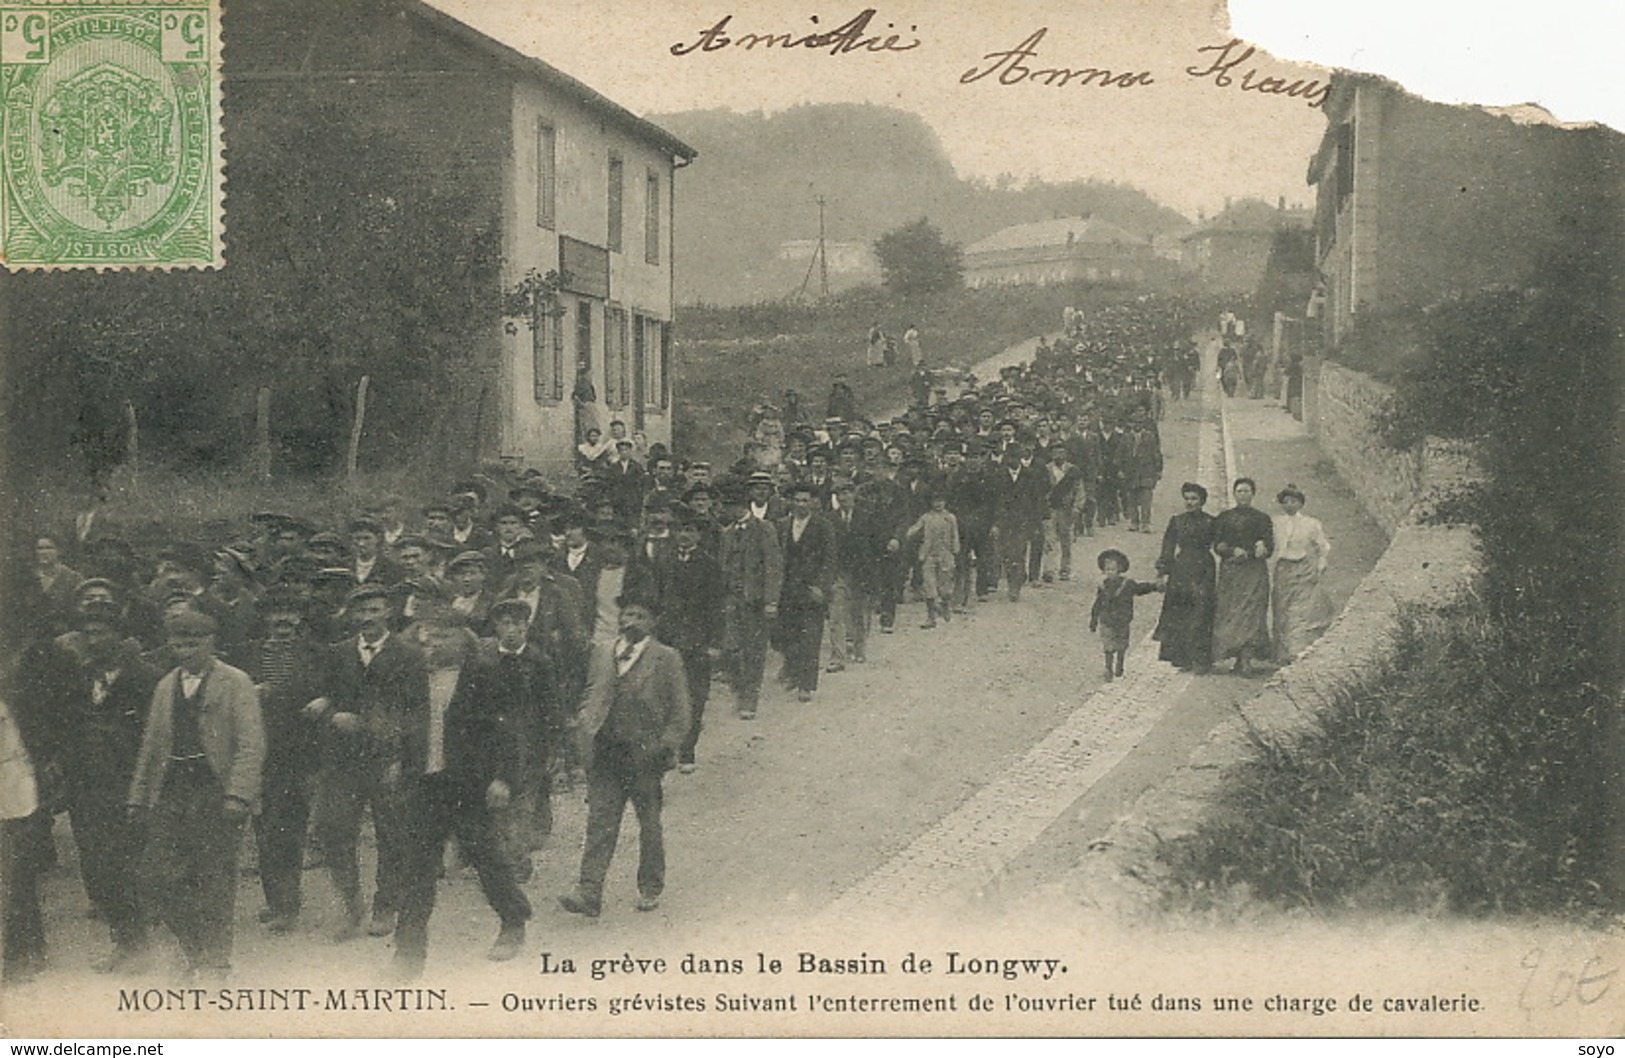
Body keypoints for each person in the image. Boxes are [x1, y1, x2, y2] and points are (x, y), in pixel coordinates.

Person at [393, 599, 546, 978]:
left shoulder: (485, 675)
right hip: (425, 785)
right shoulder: (414, 676)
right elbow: (406, 726)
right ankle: (408, 957)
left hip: (467, 785)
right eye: (426, 637)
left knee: (486, 858)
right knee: (416, 870)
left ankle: (513, 919)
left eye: (440, 637)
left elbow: (507, 732)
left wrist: (503, 779)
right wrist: (400, 760)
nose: (430, 645)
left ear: (462, 639)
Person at [125, 610, 265, 980]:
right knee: (155, 877)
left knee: (214, 878)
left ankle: (215, 960)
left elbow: (252, 744)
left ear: (211, 642)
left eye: (193, 643)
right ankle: (195, 949)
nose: (184, 651)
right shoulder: (165, 685)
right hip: (171, 789)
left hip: (214, 789)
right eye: (177, 644)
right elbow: (151, 746)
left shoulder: (236, 682)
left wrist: (238, 794)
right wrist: (139, 797)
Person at [303, 583, 429, 941]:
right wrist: (331, 713)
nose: (368, 618)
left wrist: (403, 760)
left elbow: (417, 713)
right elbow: (327, 696)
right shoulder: (339, 653)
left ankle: (385, 906)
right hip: (343, 761)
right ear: (352, 615)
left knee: (392, 834)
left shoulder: (409, 656)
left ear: (388, 612)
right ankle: (351, 905)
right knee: (334, 830)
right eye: (361, 611)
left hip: (387, 759)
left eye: (374, 610)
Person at [559, 595, 690, 917]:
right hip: (605, 752)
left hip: (644, 755)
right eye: (627, 614)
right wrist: (584, 728)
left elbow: (682, 712)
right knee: (600, 823)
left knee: (648, 823)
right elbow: (591, 692)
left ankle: (650, 886)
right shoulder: (602, 652)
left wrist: (665, 746)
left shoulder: (666, 658)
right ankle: (589, 891)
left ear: (652, 623)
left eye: (640, 616)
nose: (631, 621)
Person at [238, 587, 324, 936]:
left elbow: (330, 688)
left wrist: (322, 699)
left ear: (300, 618)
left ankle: (288, 904)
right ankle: (277, 901)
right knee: (265, 830)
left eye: (290, 612)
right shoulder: (249, 654)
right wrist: (253, 692)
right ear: (266, 618)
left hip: (302, 753)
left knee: (289, 830)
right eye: (276, 612)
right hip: (261, 752)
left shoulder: (316, 654)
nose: (283, 619)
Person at [718, 485, 782, 720]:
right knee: (730, 649)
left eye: (731, 506)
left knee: (754, 651)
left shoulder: (764, 529)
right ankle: (740, 688)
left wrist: (771, 601)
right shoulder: (726, 533)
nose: (728, 510)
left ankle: (749, 700)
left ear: (742, 506)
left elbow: (773, 566)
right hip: (731, 600)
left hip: (755, 601)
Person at [776, 482, 835, 701]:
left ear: (812, 502)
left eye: (805, 500)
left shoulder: (823, 526)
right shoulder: (782, 525)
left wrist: (821, 587)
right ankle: (792, 670)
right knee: (787, 635)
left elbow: (830, 559)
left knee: (810, 637)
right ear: (791, 502)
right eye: (797, 500)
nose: (801, 504)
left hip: (811, 590)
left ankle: (806, 685)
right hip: (787, 590)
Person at [1211, 477, 1275, 675]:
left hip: (1254, 571)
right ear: (1234, 493)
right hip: (1231, 572)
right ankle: (1236, 657)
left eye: (1247, 491)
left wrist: (1262, 547)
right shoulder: (1224, 517)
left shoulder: (1262, 518)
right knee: (1231, 612)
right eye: (1240, 491)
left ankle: (1247, 658)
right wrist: (1231, 550)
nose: (1243, 495)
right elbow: (1218, 544)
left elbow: (1270, 546)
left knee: (1252, 612)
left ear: (1253, 494)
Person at [1153, 483, 1218, 673]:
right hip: (1181, 569)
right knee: (1181, 613)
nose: (1190, 502)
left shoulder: (1211, 522)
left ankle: (1201, 660)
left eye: (1194, 499)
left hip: (1204, 568)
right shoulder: (1177, 521)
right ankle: (1184, 659)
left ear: (1202, 501)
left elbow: (1221, 542)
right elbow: (1168, 546)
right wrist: (1163, 571)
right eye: (1187, 498)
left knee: (1202, 611)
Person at [1270, 484, 1334, 663]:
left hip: (1303, 568)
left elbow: (1323, 545)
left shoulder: (1311, 524)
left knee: (1299, 610)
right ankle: (1281, 653)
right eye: (1286, 502)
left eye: (1294, 501)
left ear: (1300, 503)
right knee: (1282, 608)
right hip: (1283, 569)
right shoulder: (1276, 522)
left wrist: (1322, 561)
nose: (1290, 505)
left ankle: (1296, 650)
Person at [1089, 549, 1161, 681]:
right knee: (1108, 645)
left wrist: (1155, 587)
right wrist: (1094, 619)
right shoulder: (1102, 586)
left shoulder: (1128, 584)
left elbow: (1140, 589)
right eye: (1107, 569)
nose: (1110, 572)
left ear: (1120, 569)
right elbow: (1097, 603)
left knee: (1122, 644)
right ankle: (1108, 668)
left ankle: (1120, 664)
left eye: (1113, 569)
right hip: (1107, 620)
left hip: (1123, 620)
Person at [905, 492, 960, 629]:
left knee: (945, 586)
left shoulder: (950, 518)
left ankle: (945, 605)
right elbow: (916, 527)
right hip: (929, 554)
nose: (938, 504)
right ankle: (931, 617)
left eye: (941, 501)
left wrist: (955, 550)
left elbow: (955, 535)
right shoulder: (926, 517)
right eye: (935, 501)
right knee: (929, 585)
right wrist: (908, 533)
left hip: (945, 554)